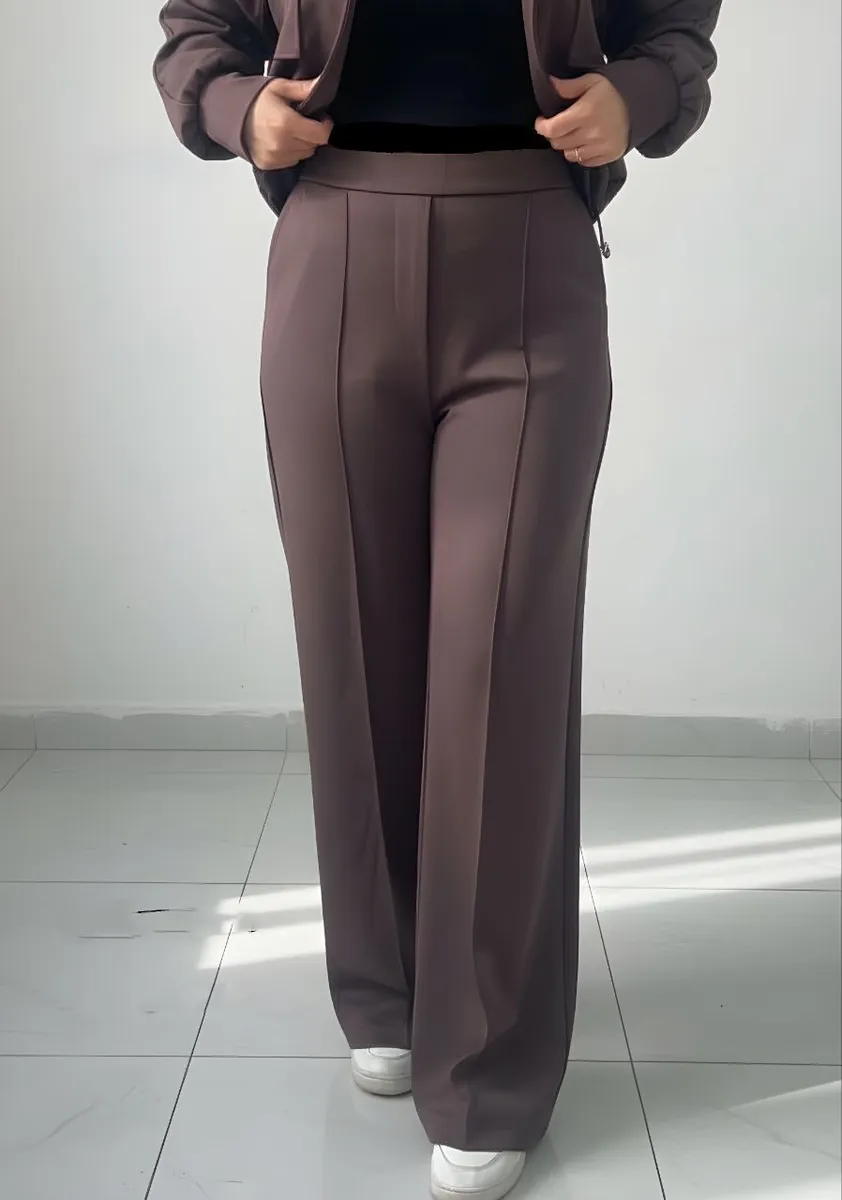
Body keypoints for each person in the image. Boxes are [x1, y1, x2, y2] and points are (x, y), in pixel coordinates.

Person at [154, 3, 720, 1197]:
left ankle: (489, 1070)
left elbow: (674, 24)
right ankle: (388, 992)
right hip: (331, 231)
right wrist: (232, 107)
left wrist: (638, 95)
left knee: (497, 664)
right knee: (350, 645)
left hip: (529, 244)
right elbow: (198, 22)